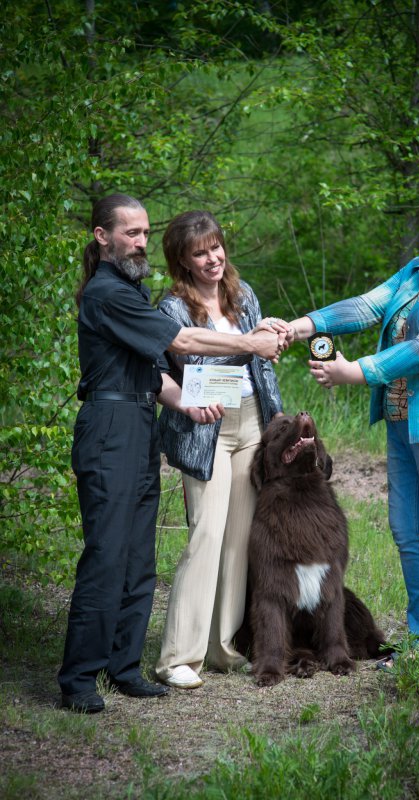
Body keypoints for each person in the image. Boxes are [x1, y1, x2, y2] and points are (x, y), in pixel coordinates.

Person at [59, 194, 284, 713]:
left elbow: (153, 372)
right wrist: (250, 345)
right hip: (108, 426)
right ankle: (78, 679)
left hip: (139, 421)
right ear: (102, 237)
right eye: (130, 233)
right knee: (107, 555)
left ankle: (123, 666)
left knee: (139, 556)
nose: (140, 241)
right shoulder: (107, 293)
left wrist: (185, 399)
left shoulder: (130, 289)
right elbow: (180, 342)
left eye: (143, 233)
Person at [280, 189, 419, 654]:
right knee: (408, 530)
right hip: (404, 420)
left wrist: (353, 372)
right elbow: (367, 305)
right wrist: (301, 326)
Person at [155, 210, 284, 690]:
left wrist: (272, 337)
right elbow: (185, 355)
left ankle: (222, 646)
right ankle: (176, 656)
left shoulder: (242, 293)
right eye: (199, 253)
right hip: (205, 429)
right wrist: (252, 344)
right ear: (182, 261)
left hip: (253, 421)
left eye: (216, 248)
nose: (212, 259)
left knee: (240, 537)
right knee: (205, 535)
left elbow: (260, 357)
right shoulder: (171, 309)